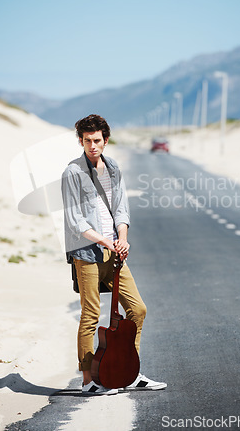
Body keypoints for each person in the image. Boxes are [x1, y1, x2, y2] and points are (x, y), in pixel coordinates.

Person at [61, 114, 167, 395]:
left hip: (113, 250)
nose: (92, 146)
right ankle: (88, 381)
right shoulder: (72, 172)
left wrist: (122, 239)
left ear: (105, 140)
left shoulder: (114, 167)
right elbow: (75, 221)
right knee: (91, 315)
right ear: (81, 141)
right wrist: (105, 242)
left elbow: (121, 208)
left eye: (97, 140)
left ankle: (128, 373)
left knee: (138, 310)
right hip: (86, 251)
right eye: (87, 141)